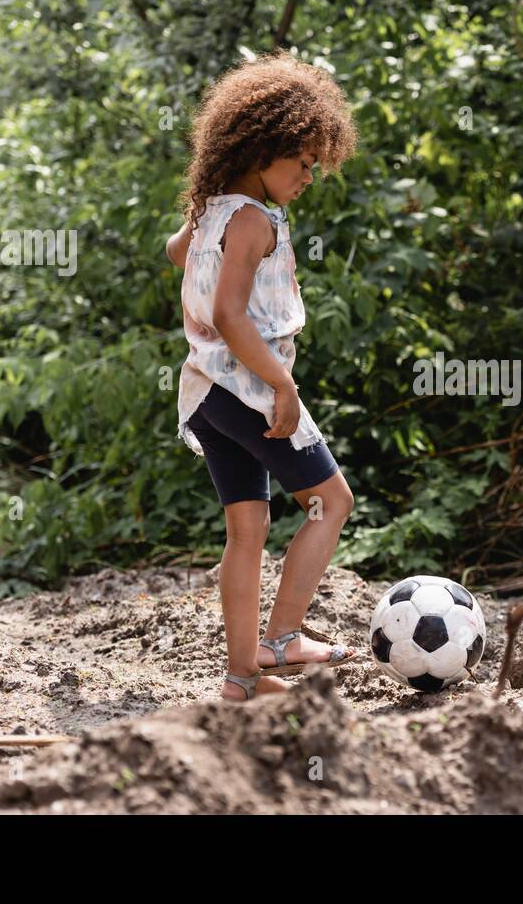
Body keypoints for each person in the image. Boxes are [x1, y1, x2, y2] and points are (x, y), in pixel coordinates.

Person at [165, 51, 361, 702]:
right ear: (260, 148)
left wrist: (201, 233)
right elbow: (227, 313)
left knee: (247, 528)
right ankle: (281, 636)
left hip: (204, 393)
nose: (310, 175)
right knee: (330, 503)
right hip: (248, 390)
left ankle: (242, 677)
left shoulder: (215, 212)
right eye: (302, 162)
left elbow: (176, 252)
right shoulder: (251, 219)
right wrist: (283, 382)